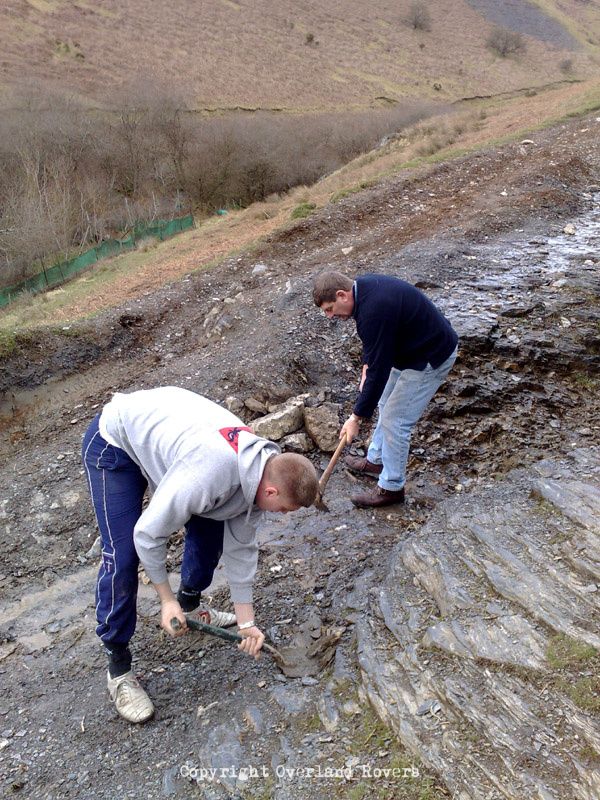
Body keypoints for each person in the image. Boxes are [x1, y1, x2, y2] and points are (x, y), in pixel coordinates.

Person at [81, 386, 318, 723]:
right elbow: (148, 534)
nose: (279, 515)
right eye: (282, 509)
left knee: (212, 524)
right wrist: (164, 600)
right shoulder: (211, 473)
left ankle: (190, 606)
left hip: (173, 440)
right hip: (116, 442)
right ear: (270, 490)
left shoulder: (261, 469)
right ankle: (118, 667)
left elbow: (241, 551)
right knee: (124, 555)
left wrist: (247, 623)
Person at [313, 271, 458, 509]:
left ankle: (391, 488)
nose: (330, 316)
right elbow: (373, 343)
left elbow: (379, 371)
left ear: (341, 295)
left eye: (330, 309)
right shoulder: (363, 292)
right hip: (409, 350)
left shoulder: (374, 309)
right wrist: (365, 368)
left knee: (395, 420)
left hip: (430, 356)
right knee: (383, 401)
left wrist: (356, 418)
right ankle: (377, 461)